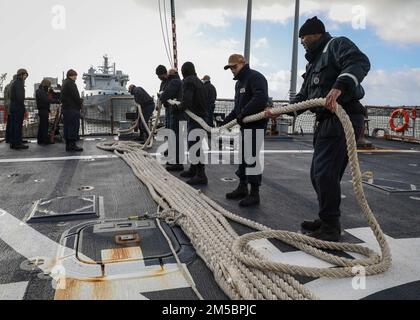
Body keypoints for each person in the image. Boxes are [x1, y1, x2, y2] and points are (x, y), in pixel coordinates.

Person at [293, 17, 370, 241]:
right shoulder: (312, 64)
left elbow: (359, 61)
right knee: (318, 175)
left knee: (325, 173)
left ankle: (330, 227)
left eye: (303, 37)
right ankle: (326, 217)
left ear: (315, 34)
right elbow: (303, 97)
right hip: (325, 122)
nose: (302, 42)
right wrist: (276, 112)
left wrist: (339, 87)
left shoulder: (336, 44)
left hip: (343, 117)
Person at [221, 54, 269, 207]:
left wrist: (244, 113)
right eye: (230, 68)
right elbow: (237, 109)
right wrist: (223, 123)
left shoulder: (255, 77)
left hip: (256, 123)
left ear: (243, 63)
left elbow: (261, 98)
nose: (232, 70)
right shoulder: (239, 84)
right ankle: (242, 187)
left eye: (234, 67)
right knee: (243, 156)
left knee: (252, 157)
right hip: (245, 124)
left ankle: (255, 194)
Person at [169, 62, 208, 186]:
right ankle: (194, 169)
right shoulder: (198, 81)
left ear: (183, 72)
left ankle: (201, 175)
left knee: (194, 145)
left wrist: (177, 107)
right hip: (200, 117)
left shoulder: (189, 81)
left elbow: (187, 101)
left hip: (197, 118)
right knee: (195, 144)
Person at [160, 68, 186, 172]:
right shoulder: (179, 81)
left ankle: (177, 163)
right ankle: (174, 160)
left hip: (177, 114)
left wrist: (161, 96)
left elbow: (166, 94)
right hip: (179, 114)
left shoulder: (174, 81)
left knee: (176, 138)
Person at [61, 69, 83, 152]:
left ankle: (68, 145)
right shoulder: (71, 84)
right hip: (72, 109)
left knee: (67, 126)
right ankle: (72, 145)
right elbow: (76, 96)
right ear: (70, 75)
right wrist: (80, 104)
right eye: (74, 75)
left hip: (66, 109)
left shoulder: (65, 83)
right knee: (73, 126)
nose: (76, 77)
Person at [9, 69, 29, 150]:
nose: (25, 77)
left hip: (14, 107)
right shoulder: (19, 83)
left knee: (14, 126)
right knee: (17, 126)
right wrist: (23, 107)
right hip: (18, 107)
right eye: (25, 75)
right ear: (21, 75)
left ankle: (14, 142)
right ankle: (17, 143)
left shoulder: (15, 82)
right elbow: (20, 97)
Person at [36, 79, 59, 145]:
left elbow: (48, 98)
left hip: (43, 110)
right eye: (48, 86)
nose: (48, 88)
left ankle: (40, 140)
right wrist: (56, 101)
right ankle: (43, 140)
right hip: (43, 110)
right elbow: (47, 100)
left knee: (43, 126)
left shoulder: (40, 91)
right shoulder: (40, 92)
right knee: (44, 126)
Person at [3, 75, 17, 144]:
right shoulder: (14, 85)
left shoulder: (7, 86)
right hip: (13, 106)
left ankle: (8, 139)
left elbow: (5, 97)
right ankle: (13, 139)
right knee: (13, 124)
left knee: (9, 123)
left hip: (8, 106)